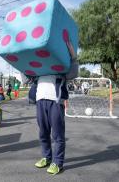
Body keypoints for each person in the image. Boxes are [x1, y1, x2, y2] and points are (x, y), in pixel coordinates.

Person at [33, 39, 78, 175]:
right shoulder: (39, 68)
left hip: (56, 101)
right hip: (40, 101)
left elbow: (73, 74)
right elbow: (25, 78)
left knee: (58, 134)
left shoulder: (61, 67)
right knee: (43, 133)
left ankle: (57, 162)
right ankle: (46, 157)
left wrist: (74, 57)